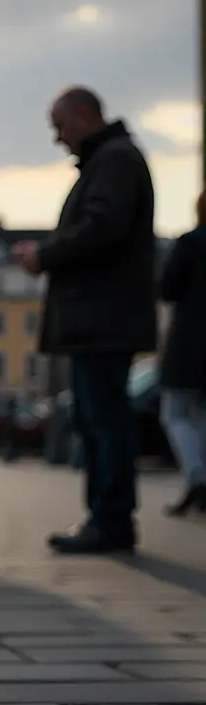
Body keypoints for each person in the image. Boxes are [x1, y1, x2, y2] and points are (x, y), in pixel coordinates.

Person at [12, 87, 156, 554]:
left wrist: (46, 254)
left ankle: (110, 521)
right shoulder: (111, 159)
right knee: (99, 418)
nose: (58, 138)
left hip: (101, 318)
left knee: (103, 420)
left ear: (85, 114)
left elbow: (102, 227)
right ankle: (106, 517)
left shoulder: (114, 161)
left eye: (60, 126)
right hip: (100, 317)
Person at [158, 190, 206, 516]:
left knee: (175, 413)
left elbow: (167, 287)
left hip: (191, 341)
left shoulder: (191, 243)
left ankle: (196, 477)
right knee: (203, 417)